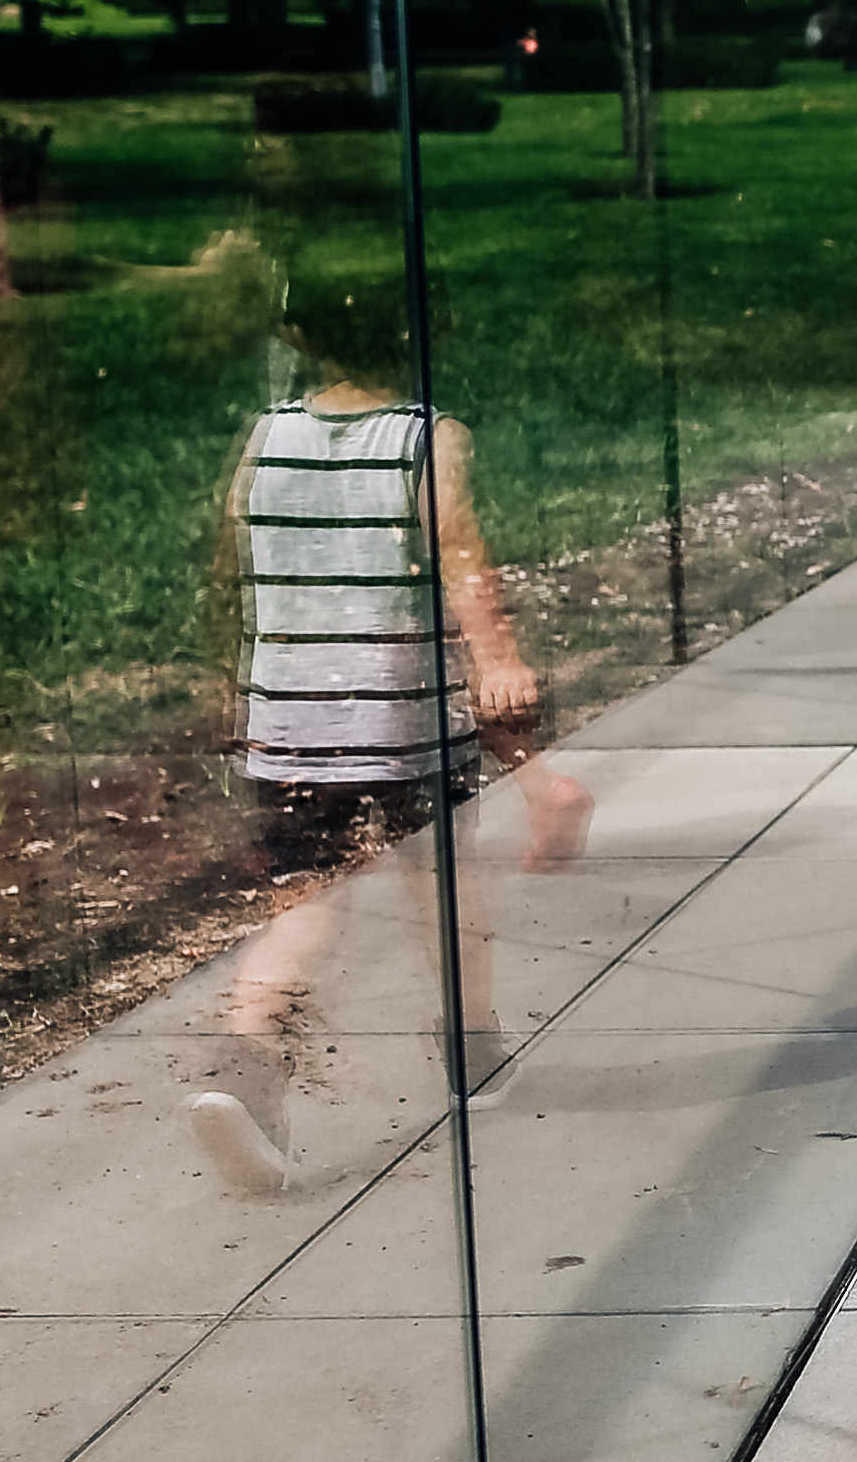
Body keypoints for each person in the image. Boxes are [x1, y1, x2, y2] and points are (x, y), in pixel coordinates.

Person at [182, 261, 589, 1197]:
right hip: (402, 721)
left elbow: (229, 566)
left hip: (288, 722)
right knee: (445, 886)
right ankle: (473, 1049)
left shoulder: (265, 436)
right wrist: (499, 661)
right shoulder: (427, 438)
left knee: (304, 900)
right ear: (422, 334)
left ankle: (245, 1071)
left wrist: (228, 683)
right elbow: (461, 559)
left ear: (299, 337)